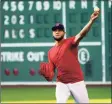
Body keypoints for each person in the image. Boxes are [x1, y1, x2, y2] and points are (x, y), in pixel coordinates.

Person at [39, 9, 100, 103]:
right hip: (61, 83)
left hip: (77, 81)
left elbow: (82, 34)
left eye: (60, 30)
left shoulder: (70, 42)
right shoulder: (50, 52)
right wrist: (48, 75)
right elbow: (51, 72)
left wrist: (91, 21)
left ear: (64, 33)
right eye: (55, 30)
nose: (57, 32)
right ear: (52, 33)